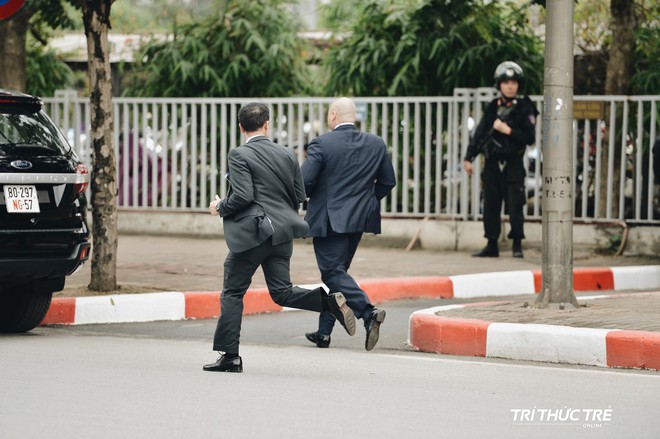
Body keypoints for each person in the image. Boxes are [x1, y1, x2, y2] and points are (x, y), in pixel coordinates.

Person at [204, 102, 356, 373]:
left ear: (241, 127)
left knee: (233, 292)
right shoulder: (286, 154)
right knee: (282, 292)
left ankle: (230, 357)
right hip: (282, 234)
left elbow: (243, 196)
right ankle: (328, 302)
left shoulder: (239, 154)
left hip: (252, 236)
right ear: (267, 125)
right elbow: (299, 195)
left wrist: (220, 206)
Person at [301, 97, 396, 351]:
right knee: (338, 273)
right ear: (354, 116)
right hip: (358, 219)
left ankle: (368, 312)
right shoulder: (376, 143)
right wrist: (366, 201)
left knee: (332, 273)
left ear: (333, 115)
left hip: (329, 219)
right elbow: (388, 182)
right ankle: (324, 333)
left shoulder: (322, 143)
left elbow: (304, 182)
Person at [463, 61, 539, 258]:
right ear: (499, 85)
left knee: (515, 205)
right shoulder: (492, 107)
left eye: (514, 82)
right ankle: (491, 244)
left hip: (513, 164)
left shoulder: (525, 107)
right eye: (506, 82)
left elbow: (529, 138)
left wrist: (509, 131)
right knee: (491, 204)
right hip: (492, 164)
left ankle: (516, 245)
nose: (510, 86)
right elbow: (480, 134)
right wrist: (468, 157)